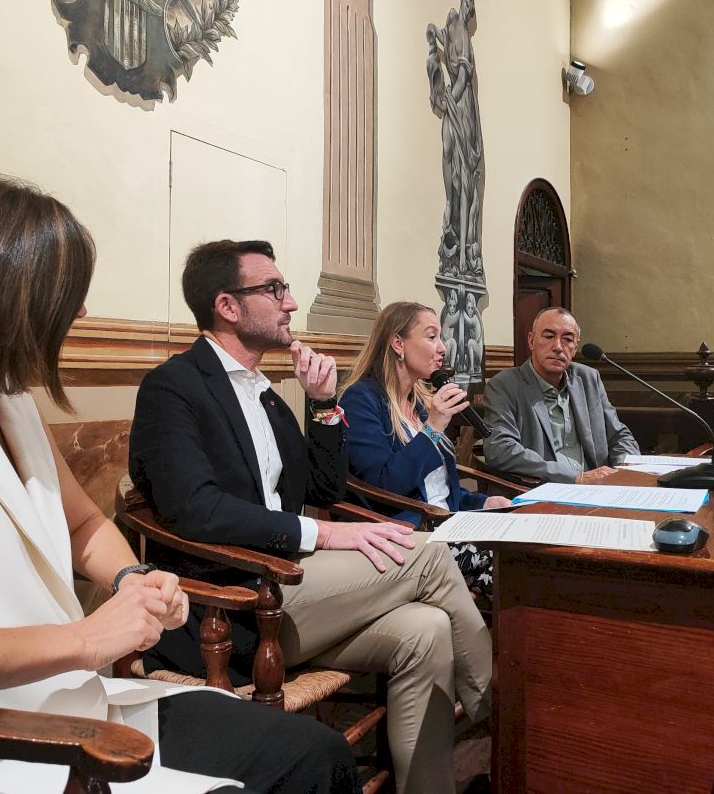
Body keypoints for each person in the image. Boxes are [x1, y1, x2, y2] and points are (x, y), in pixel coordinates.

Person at [0, 172, 357, 794]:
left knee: (319, 755)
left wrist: (132, 579)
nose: (83, 311)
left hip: (57, 698)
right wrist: (86, 638)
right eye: (65, 292)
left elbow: (82, 523)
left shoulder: (7, 400)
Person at [128, 241, 493, 794]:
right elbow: (196, 510)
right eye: (274, 289)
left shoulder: (268, 396)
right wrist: (323, 532)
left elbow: (323, 488)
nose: (291, 302)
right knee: (430, 555)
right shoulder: (173, 388)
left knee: (428, 629)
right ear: (228, 306)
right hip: (234, 602)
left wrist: (323, 405)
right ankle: (507, 716)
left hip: (291, 587)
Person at [338, 302, 511, 595]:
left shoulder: (416, 403)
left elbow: (435, 488)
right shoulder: (361, 400)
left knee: (527, 554)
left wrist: (481, 503)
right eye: (432, 337)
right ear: (398, 343)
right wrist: (432, 428)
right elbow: (385, 484)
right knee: (511, 571)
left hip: (448, 523)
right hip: (412, 533)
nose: (442, 348)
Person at [483, 307, 640, 483]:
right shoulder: (504, 385)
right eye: (549, 336)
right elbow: (500, 449)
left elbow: (619, 435)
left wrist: (623, 470)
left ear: (575, 347)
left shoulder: (588, 378)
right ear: (532, 341)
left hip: (598, 486)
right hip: (541, 489)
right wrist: (575, 477)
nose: (558, 347)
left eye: (567, 339)